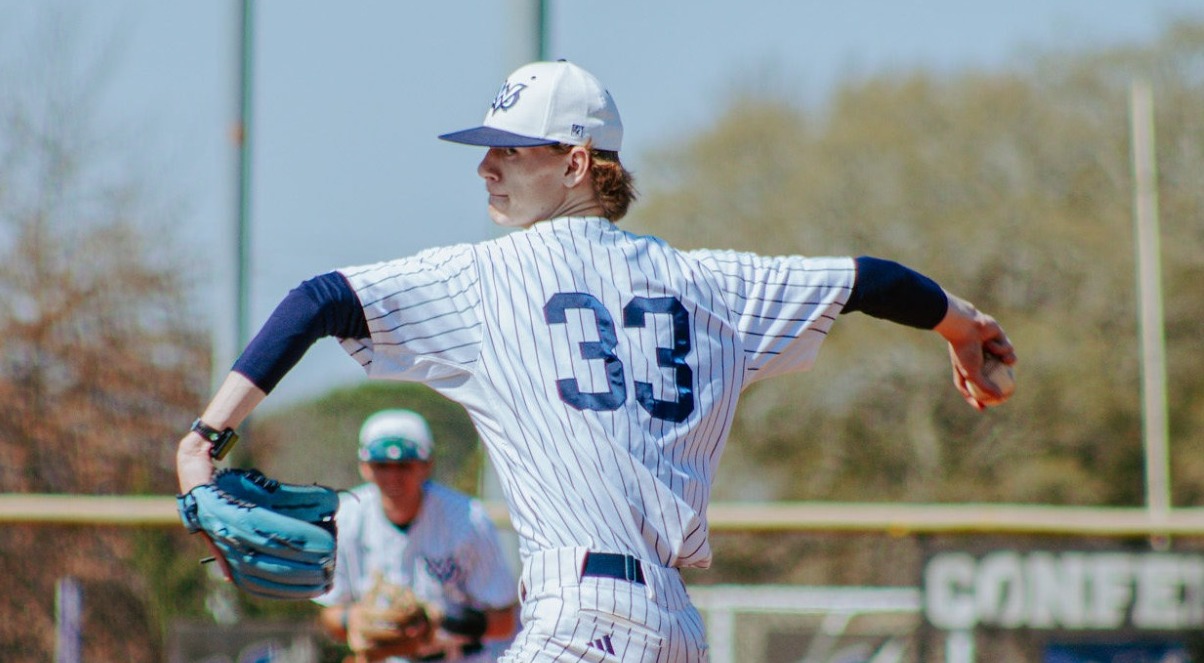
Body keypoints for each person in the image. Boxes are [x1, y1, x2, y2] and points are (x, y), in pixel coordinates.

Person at [177, 59, 1016, 662]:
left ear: (576, 163)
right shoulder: (713, 283)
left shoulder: (490, 279)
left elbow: (322, 297)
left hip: (583, 620)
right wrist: (962, 325)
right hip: (674, 628)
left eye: (511, 150)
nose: (486, 167)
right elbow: (867, 280)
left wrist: (206, 438)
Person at [313, 408, 519, 662]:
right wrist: (353, 619)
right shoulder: (345, 518)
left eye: (404, 465)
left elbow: (504, 621)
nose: (393, 477)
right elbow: (329, 614)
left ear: (426, 465)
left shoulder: (468, 519)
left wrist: (440, 622)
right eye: (381, 466)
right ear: (364, 467)